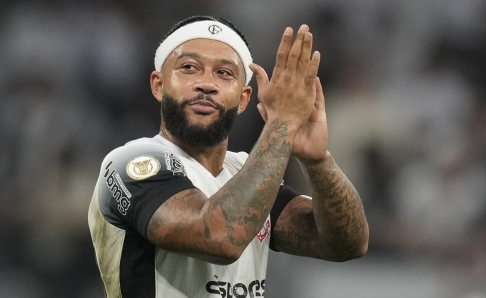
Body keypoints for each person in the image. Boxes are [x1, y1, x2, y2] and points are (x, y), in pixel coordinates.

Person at [88, 15, 369, 298]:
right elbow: (220, 238)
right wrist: (281, 125)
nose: (207, 84)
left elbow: (347, 244)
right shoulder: (132, 163)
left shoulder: (245, 170)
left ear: (244, 98)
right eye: (189, 68)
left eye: (224, 73)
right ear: (158, 85)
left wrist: (317, 161)